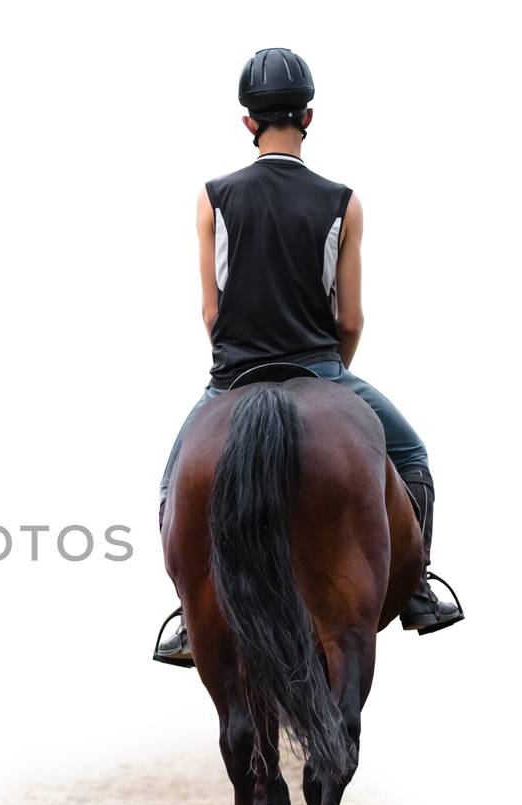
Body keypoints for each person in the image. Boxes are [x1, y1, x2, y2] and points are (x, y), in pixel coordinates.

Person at [155, 48, 463, 667]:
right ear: (309, 116)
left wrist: (236, 357)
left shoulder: (213, 198)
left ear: (248, 122)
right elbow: (350, 318)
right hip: (321, 369)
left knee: (171, 487)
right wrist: (333, 372)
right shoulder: (342, 201)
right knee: (412, 458)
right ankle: (419, 588)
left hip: (233, 376)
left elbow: (211, 313)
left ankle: (190, 618)